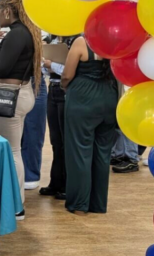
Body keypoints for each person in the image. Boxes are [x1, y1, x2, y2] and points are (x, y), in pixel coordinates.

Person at [0, 0, 41, 220]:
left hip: (10, 95)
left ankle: (15, 204)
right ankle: (14, 201)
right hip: (19, 94)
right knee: (13, 149)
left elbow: (1, 69)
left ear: (7, 10)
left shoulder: (17, 35)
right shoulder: (23, 33)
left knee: (12, 150)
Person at [61, 36, 119, 215]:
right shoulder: (114, 41)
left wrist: (65, 87)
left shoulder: (82, 42)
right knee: (103, 154)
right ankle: (98, 204)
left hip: (83, 99)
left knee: (79, 152)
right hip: (109, 97)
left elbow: (67, 75)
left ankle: (79, 204)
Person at [39, 36, 77, 201]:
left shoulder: (77, 41)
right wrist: (46, 65)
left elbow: (71, 70)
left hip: (66, 90)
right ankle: (56, 181)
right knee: (55, 140)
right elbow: (48, 70)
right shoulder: (55, 41)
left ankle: (67, 184)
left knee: (65, 140)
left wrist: (51, 65)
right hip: (53, 88)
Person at [22, 33, 49, 192]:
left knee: (34, 132)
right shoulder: (14, 34)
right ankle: (22, 173)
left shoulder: (39, 38)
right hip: (21, 82)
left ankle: (31, 174)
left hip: (36, 81)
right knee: (19, 133)